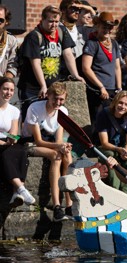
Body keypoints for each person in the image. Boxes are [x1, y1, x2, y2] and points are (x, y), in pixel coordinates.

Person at [17, 5, 84, 119]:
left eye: (57, 21)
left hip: (53, 88)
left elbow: (68, 54)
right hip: (32, 88)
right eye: (50, 21)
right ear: (42, 19)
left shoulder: (61, 32)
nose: (54, 25)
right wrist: (43, 85)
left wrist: (76, 75)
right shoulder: (34, 36)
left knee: (50, 119)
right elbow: (36, 63)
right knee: (31, 120)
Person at [21, 82, 73, 222]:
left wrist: (64, 146)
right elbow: (38, 141)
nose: (58, 102)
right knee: (56, 156)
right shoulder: (35, 108)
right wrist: (59, 147)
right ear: (48, 96)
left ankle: (69, 203)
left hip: (49, 141)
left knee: (67, 155)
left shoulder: (63, 111)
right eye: (55, 98)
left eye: (61, 99)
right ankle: (57, 205)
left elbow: (59, 138)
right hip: (30, 142)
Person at [94, 91, 127, 198]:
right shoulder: (104, 114)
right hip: (105, 147)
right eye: (120, 103)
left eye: (126, 104)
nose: (123, 106)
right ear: (115, 102)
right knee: (110, 156)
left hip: (121, 147)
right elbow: (104, 143)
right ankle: (115, 190)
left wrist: (126, 151)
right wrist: (119, 150)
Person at [0, 78, 35, 207]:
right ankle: (21, 189)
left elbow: (14, 132)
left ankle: (17, 192)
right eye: (5, 89)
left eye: (11, 90)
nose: (8, 93)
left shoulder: (14, 110)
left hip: (6, 142)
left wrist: (11, 139)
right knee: (6, 154)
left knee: (21, 150)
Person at [82, 12, 122, 124]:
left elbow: (117, 67)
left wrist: (119, 88)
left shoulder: (114, 44)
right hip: (97, 90)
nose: (107, 30)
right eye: (104, 27)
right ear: (97, 26)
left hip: (112, 89)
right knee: (98, 120)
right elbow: (86, 68)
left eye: (110, 27)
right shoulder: (92, 43)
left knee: (111, 121)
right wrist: (101, 87)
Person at [0, 5, 18, 78]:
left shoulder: (11, 40)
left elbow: (13, 65)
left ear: (6, 22)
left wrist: (5, 82)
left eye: (0, 20)